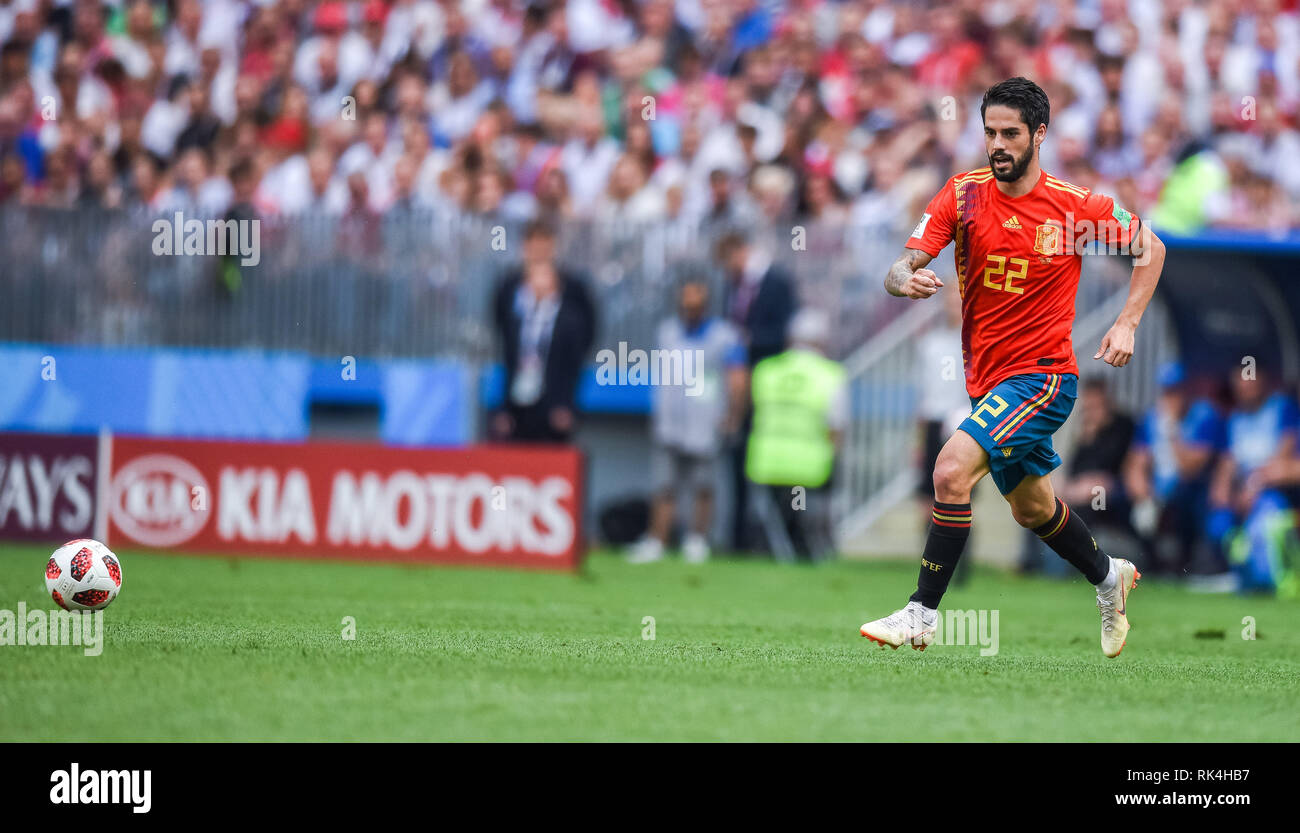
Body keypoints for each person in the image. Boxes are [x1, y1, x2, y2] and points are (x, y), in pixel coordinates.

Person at [860, 77, 1166, 658]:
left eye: (1010, 133)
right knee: (1032, 508)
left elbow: (1152, 248)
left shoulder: (1074, 209)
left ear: (1039, 135)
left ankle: (921, 615)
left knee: (950, 468)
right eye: (990, 132)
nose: (997, 144)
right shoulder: (963, 194)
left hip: (1045, 377)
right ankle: (1109, 577)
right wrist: (908, 280)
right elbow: (899, 267)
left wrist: (1125, 322)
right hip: (989, 383)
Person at [628, 276, 747, 564]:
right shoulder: (668, 331)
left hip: (706, 421)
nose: (690, 310)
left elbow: (738, 377)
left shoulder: (725, 336)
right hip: (670, 421)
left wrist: (733, 414)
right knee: (664, 484)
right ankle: (658, 539)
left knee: (703, 484)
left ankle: (697, 539)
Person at [714, 228, 796, 552]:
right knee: (738, 456)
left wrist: (750, 340)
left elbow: (782, 331)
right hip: (739, 382)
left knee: (765, 456)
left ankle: (777, 537)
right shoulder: (733, 286)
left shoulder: (776, 282)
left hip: (765, 385)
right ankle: (738, 538)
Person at [745, 308, 846, 561]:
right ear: (821, 341)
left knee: (779, 505)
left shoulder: (766, 370)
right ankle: (812, 546)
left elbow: (755, 411)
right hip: (811, 467)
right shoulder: (831, 375)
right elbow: (836, 426)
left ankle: (779, 546)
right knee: (808, 499)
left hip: (766, 463)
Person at [490, 220, 596, 443]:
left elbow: (582, 343)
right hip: (516, 398)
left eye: (543, 245)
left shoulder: (573, 290)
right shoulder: (509, 287)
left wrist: (566, 402)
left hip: (555, 400)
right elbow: (502, 333)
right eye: (533, 245)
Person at [1122, 361, 1225, 576]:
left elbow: (1190, 468)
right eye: (1167, 391)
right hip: (1157, 490)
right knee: (1116, 498)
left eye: (1176, 391)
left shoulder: (1204, 415)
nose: (1171, 397)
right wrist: (1143, 496)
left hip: (1189, 488)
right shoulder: (1151, 418)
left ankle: (1185, 565)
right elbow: (1135, 463)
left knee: (1186, 497)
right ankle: (1151, 562)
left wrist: (1172, 429)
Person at [1207, 371, 1300, 595]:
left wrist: (1254, 485)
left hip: (1274, 490)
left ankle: (1263, 576)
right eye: (1239, 384)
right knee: (1217, 521)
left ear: (1262, 381)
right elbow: (1227, 464)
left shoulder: (1282, 408)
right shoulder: (1235, 419)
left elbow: (1284, 461)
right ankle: (1236, 571)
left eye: (1249, 382)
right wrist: (1223, 493)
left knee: (1264, 522)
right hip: (1243, 492)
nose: (1244, 389)